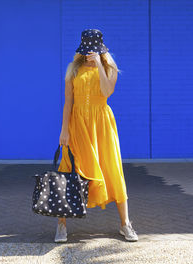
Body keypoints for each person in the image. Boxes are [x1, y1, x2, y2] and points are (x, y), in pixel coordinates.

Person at [55, 29, 138, 243]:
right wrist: (64, 129)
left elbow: (107, 91)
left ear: (101, 49)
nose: (90, 53)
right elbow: (68, 102)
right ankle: (61, 225)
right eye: (87, 49)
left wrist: (100, 64)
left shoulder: (110, 68)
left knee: (113, 168)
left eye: (94, 49)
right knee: (69, 168)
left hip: (102, 123)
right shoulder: (73, 69)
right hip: (77, 123)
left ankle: (125, 224)